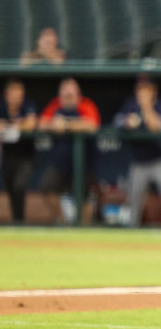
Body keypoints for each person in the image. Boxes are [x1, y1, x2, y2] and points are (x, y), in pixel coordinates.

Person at [114, 75, 161, 228]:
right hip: (139, 162)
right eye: (140, 89)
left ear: (153, 91)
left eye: (146, 89)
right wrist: (127, 122)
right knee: (133, 202)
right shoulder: (130, 105)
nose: (142, 93)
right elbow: (117, 122)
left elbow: (157, 127)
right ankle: (131, 237)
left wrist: (146, 107)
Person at [37, 78, 101, 224]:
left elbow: (91, 125)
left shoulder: (86, 104)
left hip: (85, 163)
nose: (68, 97)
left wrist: (66, 124)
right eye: (65, 94)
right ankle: (63, 223)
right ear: (60, 95)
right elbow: (41, 124)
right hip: (61, 163)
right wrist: (53, 125)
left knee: (87, 197)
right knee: (47, 188)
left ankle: (83, 231)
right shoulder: (55, 105)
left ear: (78, 94)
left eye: (71, 94)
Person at [0, 79, 38, 224]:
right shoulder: (2, 106)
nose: (17, 97)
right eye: (14, 93)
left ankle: (19, 221)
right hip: (8, 155)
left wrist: (10, 124)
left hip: (25, 156)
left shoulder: (28, 105)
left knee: (19, 185)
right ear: (7, 94)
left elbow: (30, 124)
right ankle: (16, 219)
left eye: (19, 93)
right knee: (10, 188)